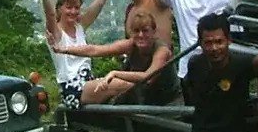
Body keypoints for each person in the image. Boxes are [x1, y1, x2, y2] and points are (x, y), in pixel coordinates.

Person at [26, 0, 118, 108]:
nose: (73, 11)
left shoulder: (80, 27)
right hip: (72, 88)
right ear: (60, 8)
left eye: (76, 7)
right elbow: (49, 13)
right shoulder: (56, 33)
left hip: (88, 82)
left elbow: (100, 1)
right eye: (68, 7)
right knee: (119, 83)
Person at [50, 9, 182, 106]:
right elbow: (95, 50)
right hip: (147, 98)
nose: (141, 35)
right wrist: (64, 49)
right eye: (136, 31)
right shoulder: (131, 44)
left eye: (145, 30)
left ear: (153, 32)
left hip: (169, 102)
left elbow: (148, 77)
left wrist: (115, 73)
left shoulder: (162, 50)